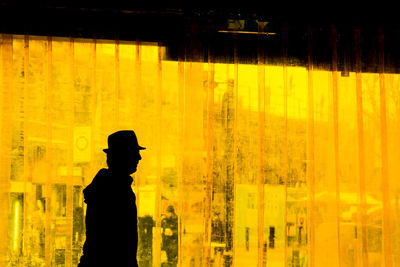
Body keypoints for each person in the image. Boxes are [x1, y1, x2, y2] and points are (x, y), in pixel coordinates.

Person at [78, 130, 145, 267]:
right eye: (134, 152)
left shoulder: (109, 186)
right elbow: (116, 241)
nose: (139, 157)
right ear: (122, 156)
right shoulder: (114, 189)